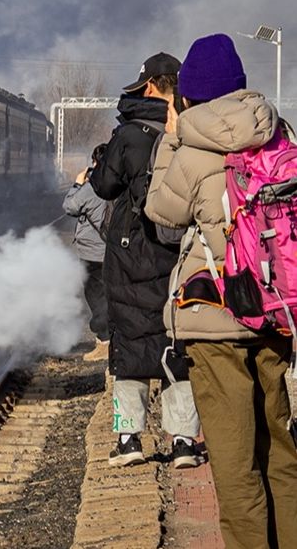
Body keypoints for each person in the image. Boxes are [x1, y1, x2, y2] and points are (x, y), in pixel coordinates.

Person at [147, 34, 297, 549]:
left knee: (235, 465)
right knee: (280, 447)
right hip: (277, 311)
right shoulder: (280, 135)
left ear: (188, 97)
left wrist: (170, 141)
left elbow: (161, 215)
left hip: (216, 318)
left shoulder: (192, 149)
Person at [90, 52, 205, 468]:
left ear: (153, 85)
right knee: (177, 344)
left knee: (129, 347)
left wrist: (104, 161)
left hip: (130, 249)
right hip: (181, 251)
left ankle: (128, 439)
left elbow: (104, 187)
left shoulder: (130, 135)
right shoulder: (195, 128)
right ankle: (184, 443)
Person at [63, 144, 111, 349]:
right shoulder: (121, 183)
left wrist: (77, 184)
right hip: (114, 249)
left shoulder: (94, 187)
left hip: (92, 252)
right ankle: (110, 338)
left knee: (95, 294)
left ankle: (104, 341)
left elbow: (70, 206)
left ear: (95, 163)